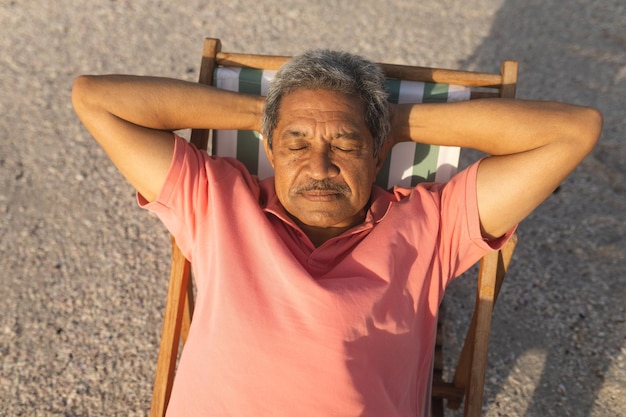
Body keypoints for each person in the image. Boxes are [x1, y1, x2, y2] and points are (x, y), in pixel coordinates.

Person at [72, 49, 601, 417]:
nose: (320, 166)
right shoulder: (216, 199)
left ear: (378, 152)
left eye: (347, 144)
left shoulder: (435, 222)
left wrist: (395, 123)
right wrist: (265, 114)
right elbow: (94, 96)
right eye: (296, 144)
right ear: (271, 149)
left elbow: (575, 130)